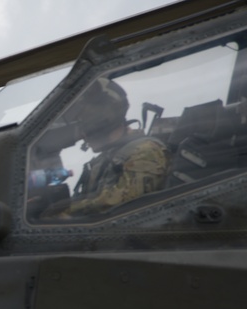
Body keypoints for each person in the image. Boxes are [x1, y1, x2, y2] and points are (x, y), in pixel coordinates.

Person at [44, 78, 170, 218]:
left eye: (86, 127)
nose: (83, 136)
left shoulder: (145, 150)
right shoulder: (107, 157)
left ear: (103, 125)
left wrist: (65, 211)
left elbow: (125, 201)